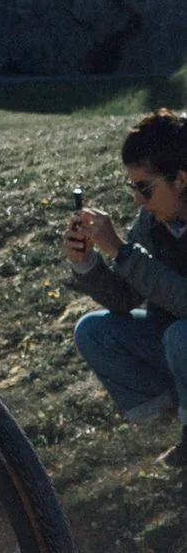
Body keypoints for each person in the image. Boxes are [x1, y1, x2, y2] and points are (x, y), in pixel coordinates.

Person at [66, 112, 187, 461]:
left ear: (180, 179)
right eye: (133, 188)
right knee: (93, 331)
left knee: (181, 337)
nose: (138, 200)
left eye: (144, 188)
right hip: (174, 343)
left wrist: (121, 250)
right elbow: (124, 297)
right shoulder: (153, 220)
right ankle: (178, 418)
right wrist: (86, 261)